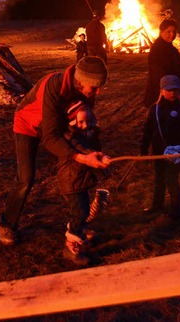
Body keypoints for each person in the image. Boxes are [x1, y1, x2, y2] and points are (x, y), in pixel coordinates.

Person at [0, 56, 110, 265]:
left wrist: (91, 153)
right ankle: (7, 223)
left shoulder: (85, 91)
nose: (98, 93)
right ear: (81, 80)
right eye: (94, 88)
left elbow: (80, 129)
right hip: (28, 125)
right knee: (26, 178)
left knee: (74, 172)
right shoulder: (53, 86)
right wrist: (81, 156)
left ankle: (78, 226)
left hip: (56, 127)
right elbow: (50, 138)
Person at [58, 100, 110, 263]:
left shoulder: (91, 134)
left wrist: (102, 160)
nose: (84, 125)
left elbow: (95, 150)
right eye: (80, 121)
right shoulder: (69, 136)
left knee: (82, 209)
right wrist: (96, 155)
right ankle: (71, 244)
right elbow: (83, 150)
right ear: (73, 121)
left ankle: (79, 231)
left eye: (87, 121)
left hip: (80, 180)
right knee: (80, 212)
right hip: (70, 181)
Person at [140, 75, 180, 219]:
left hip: (177, 151)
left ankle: (178, 209)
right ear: (161, 91)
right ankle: (157, 204)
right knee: (159, 177)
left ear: (179, 91)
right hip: (159, 150)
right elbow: (147, 130)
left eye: (175, 90)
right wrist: (144, 149)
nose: (172, 93)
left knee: (171, 179)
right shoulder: (156, 109)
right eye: (168, 89)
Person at [143, 19, 180, 107]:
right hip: (165, 92)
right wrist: (170, 90)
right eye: (168, 32)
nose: (172, 34)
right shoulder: (157, 49)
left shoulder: (169, 46)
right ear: (161, 32)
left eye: (174, 32)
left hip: (173, 89)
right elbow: (157, 73)